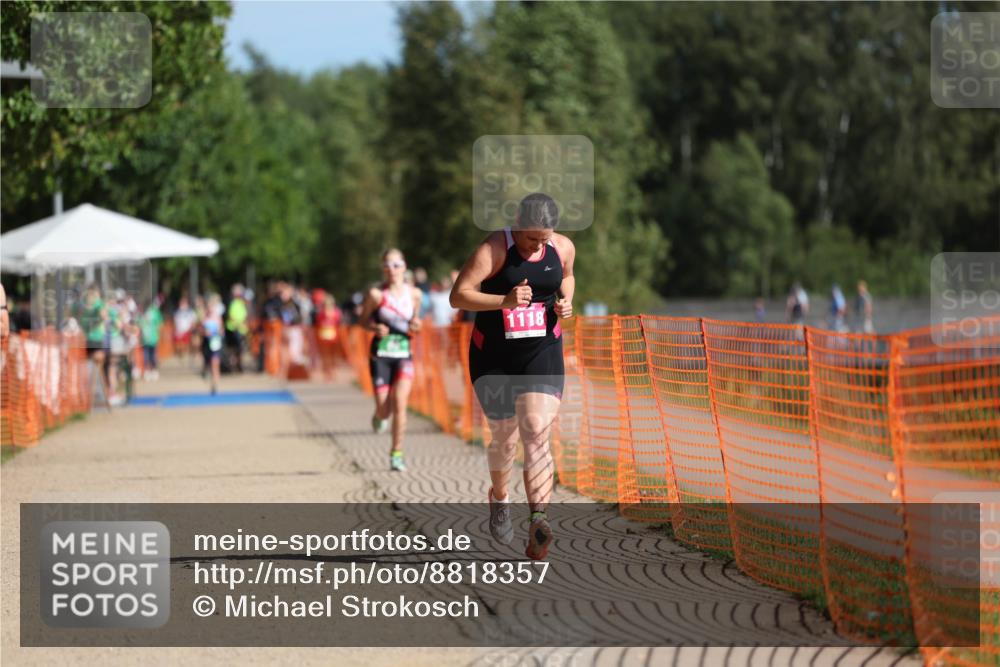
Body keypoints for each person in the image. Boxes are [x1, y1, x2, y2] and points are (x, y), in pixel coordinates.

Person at [449, 192, 575, 561]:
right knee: (504, 440)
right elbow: (459, 296)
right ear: (516, 223)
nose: (538, 245)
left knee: (535, 429)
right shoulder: (494, 249)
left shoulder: (561, 247)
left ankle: (539, 520)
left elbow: (566, 277)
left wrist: (566, 300)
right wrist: (503, 301)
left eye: (544, 238)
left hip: (542, 351)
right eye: (531, 238)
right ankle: (500, 498)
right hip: (495, 357)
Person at [358, 248, 424, 472]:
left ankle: (396, 453)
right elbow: (362, 321)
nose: (392, 269)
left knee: (400, 403)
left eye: (396, 264)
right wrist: (374, 327)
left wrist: (417, 325)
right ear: (382, 269)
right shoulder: (376, 294)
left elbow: (415, 323)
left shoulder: (415, 294)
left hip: (404, 355)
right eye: (387, 265)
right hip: (381, 356)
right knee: (385, 410)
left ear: (404, 267)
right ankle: (379, 416)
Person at [314, 293, 342, 381]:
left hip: (334, 337)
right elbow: (318, 323)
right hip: (323, 337)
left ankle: (333, 372)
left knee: (333, 356)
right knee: (325, 356)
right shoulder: (321, 312)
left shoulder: (336, 312)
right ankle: (327, 372)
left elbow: (338, 322)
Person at [202, 293, 224, 394]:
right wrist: (205, 333)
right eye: (208, 306)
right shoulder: (204, 317)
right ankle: (209, 378)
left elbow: (221, 331)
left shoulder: (217, 317)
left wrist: (216, 333)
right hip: (206, 343)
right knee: (208, 364)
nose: (209, 308)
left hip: (215, 342)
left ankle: (215, 384)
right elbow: (201, 330)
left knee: (215, 363)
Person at [226, 284, 249, 373]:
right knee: (235, 350)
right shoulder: (233, 303)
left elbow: (244, 316)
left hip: (241, 330)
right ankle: (234, 366)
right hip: (234, 329)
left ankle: (238, 366)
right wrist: (239, 325)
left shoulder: (241, 303)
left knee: (239, 350)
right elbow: (232, 317)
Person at [138, 299, 163, 380]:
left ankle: (153, 370)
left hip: (152, 337)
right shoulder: (143, 313)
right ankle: (148, 371)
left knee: (152, 355)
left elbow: (159, 324)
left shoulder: (154, 312)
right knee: (147, 355)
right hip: (147, 338)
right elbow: (139, 324)